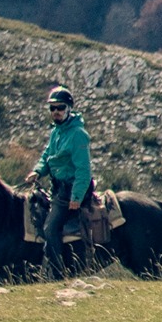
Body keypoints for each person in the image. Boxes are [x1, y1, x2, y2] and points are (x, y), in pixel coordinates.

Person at [24, 86, 103, 250]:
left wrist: (76, 197)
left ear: (69, 109)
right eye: (52, 108)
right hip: (58, 189)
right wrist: (37, 171)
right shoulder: (56, 132)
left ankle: (57, 273)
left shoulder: (77, 134)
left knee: (50, 229)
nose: (56, 111)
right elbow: (47, 156)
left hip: (70, 191)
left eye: (60, 107)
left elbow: (83, 170)